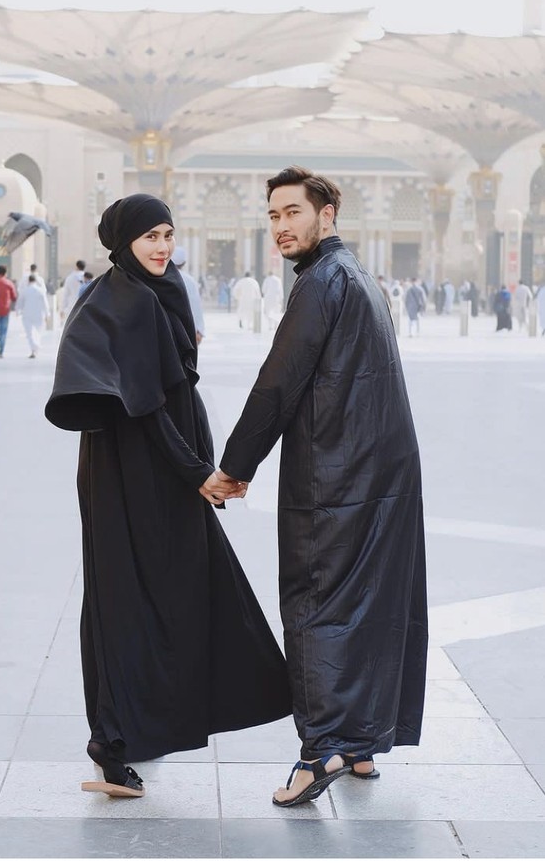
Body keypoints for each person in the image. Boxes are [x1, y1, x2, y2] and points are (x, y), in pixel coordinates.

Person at [45, 194, 291, 799]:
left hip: (163, 471)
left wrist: (201, 468)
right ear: (123, 242)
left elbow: (174, 390)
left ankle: (137, 728)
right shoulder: (122, 300)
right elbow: (148, 408)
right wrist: (198, 473)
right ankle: (110, 743)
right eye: (149, 236)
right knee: (125, 599)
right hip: (132, 472)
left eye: (168, 235)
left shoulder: (159, 290)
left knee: (177, 593)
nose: (162, 247)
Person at [205, 166, 427, 807]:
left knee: (314, 607)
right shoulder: (360, 278)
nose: (281, 226)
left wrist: (234, 466)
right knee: (370, 609)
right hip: (384, 477)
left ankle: (321, 749)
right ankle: (359, 744)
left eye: (292, 213)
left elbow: (279, 382)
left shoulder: (321, 283)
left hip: (333, 479)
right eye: (273, 216)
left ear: (327, 214)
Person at [171, 245, 205, 343]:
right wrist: (199, 330)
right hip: (186, 328)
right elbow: (195, 305)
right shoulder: (190, 281)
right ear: (184, 263)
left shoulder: (159, 278)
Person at [17, 273, 49, 358]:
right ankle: (36, 347)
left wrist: (18, 311)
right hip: (39, 314)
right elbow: (45, 303)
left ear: (28, 281)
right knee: (38, 332)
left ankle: (34, 349)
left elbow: (20, 302)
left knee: (30, 333)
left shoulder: (25, 290)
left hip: (27, 314)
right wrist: (47, 314)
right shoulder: (40, 291)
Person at [0, 265, 17, 357]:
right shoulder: (9, 283)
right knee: (3, 332)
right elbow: (14, 297)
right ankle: (1, 352)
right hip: (5, 310)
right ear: (6, 272)